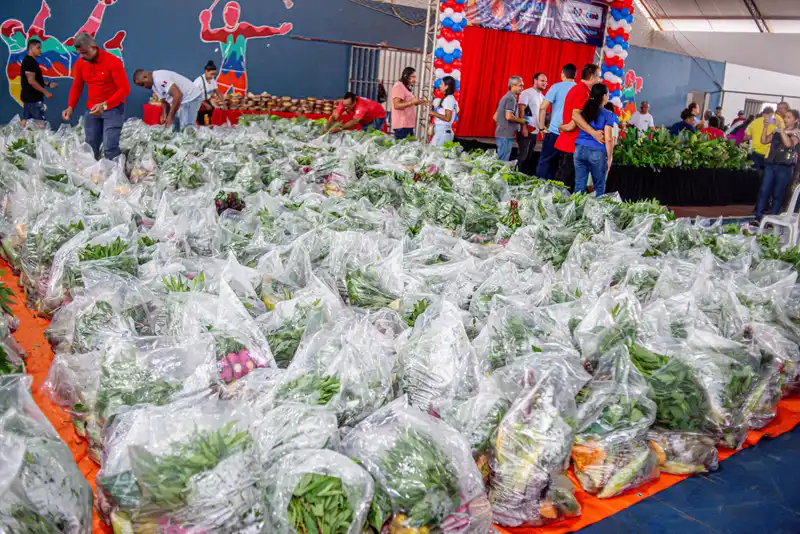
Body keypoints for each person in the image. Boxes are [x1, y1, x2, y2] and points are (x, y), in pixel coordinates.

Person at [62, 32, 130, 161]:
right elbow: (77, 86)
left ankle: (116, 177)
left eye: (85, 53)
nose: (82, 56)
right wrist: (70, 106)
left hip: (113, 109)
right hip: (92, 109)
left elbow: (125, 89)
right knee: (90, 146)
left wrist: (105, 105)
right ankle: (94, 176)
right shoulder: (80, 63)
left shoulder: (112, 61)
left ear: (93, 47)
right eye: (79, 53)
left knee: (110, 147)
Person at [555, 63, 602, 190]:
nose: (599, 80)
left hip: (569, 142)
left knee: (564, 180)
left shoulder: (580, 89)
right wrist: (593, 133)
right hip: (571, 144)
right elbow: (575, 117)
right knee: (565, 182)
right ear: (592, 76)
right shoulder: (582, 92)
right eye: (599, 77)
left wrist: (565, 127)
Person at [754, 109, 800, 222]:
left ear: (796, 120)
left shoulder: (796, 133)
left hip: (785, 167)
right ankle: (758, 217)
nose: (785, 119)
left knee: (778, 194)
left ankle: (772, 219)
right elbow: (764, 140)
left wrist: (781, 130)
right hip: (771, 165)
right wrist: (765, 127)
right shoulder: (776, 131)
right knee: (764, 190)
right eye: (785, 117)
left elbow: (788, 144)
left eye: (789, 117)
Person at [572, 84, 618, 196]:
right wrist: (610, 158)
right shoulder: (608, 115)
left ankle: (576, 211)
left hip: (579, 150)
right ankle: (597, 213)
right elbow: (608, 138)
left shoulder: (584, 110)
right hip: (597, 152)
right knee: (599, 188)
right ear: (603, 96)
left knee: (579, 186)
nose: (608, 97)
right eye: (607, 95)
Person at [536, 63, 577, 180]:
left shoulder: (556, 87)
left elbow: (543, 107)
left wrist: (542, 127)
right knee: (563, 166)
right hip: (570, 134)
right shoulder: (578, 89)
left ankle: (538, 188)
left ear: (563, 74)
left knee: (545, 161)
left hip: (554, 131)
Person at [133, 69, 203, 131]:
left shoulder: (159, 79)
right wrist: (164, 114)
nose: (144, 87)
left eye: (143, 84)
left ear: (146, 76)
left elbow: (178, 95)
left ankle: (190, 143)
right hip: (182, 100)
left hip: (190, 98)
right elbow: (164, 102)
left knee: (186, 128)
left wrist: (170, 116)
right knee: (175, 126)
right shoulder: (153, 85)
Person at [20, 38, 57, 128]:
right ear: (31, 48)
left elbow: (36, 79)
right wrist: (46, 92)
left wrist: (48, 84)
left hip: (30, 98)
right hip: (33, 99)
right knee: (40, 124)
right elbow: (31, 81)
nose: (40, 50)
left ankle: (20, 139)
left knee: (25, 120)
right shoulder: (29, 62)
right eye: (38, 48)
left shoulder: (31, 61)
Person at [516, 72, 547, 174]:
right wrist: (523, 127)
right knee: (522, 156)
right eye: (542, 81)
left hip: (535, 131)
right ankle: (516, 175)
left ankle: (522, 176)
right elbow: (521, 109)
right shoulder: (526, 93)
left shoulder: (542, 96)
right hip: (526, 130)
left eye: (546, 81)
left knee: (528, 156)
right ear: (535, 80)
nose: (545, 83)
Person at [494, 76, 525, 161]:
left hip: (502, 134)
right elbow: (509, 116)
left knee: (500, 160)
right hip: (505, 136)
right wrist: (522, 121)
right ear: (513, 85)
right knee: (502, 162)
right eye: (520, 85)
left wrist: (502, 126)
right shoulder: (511, 98)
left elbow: (495, 117)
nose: (522, 88)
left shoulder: (506, 97)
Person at [391, 67, 426, 140]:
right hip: (402, 126)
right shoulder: (399, 86)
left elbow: (409, 102)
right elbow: (396, 105)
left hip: (407, 125)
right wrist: (412, 102)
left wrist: (418, 102)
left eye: (415, 77)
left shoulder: (404, 87)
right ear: (405, 76)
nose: (414, 80)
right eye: (413, 77)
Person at [745, 107, 784, 171]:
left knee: (754, 173)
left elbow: (748, 135)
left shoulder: (755, 121)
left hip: (756, 152)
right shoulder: (776, 122)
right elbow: (783, 130)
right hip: (767, 154)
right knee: (764, 174)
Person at [430, 76, 458, 147]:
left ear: (446, 86)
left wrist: (434, 113)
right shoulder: (448, 98)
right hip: (442, 131)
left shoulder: (449, 99)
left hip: (443, 132)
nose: (440, 86)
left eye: (441, 84)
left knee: (435, 154)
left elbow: (448, 118)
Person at [194, 61, 219, 126]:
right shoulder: (198, 81)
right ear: (206, 71)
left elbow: (218, 92)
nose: (213, 76)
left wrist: (223, 104)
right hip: (199, 104)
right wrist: (205, 104)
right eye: (211, 74)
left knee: (208, 123)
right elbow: (194, 96)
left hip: (207, 104)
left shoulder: (213, 80)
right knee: (201, 123)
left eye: (214, 74)